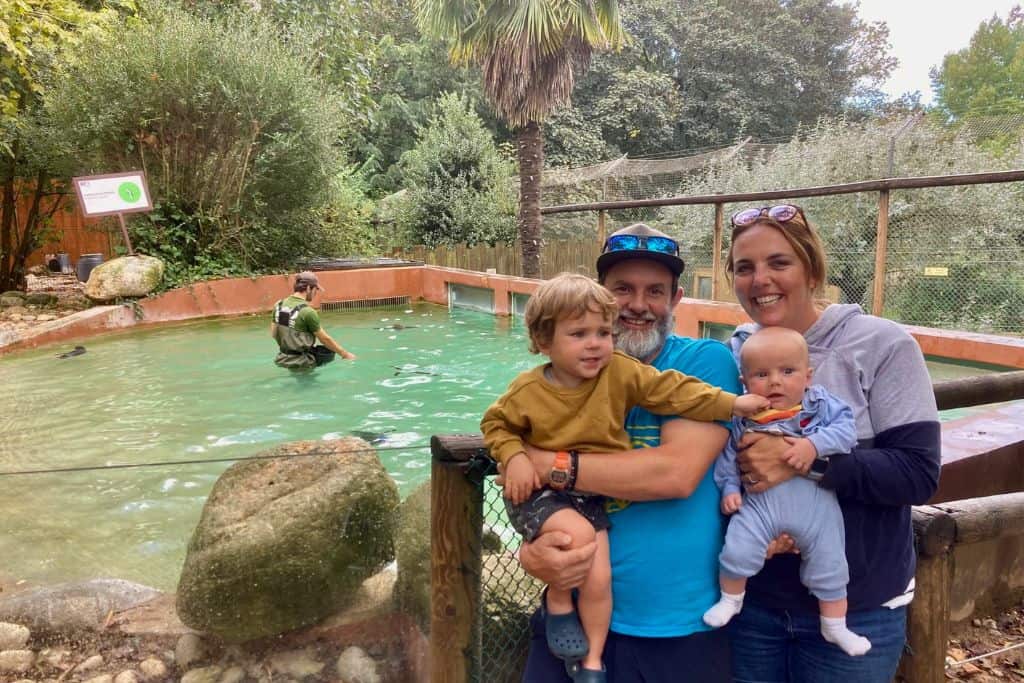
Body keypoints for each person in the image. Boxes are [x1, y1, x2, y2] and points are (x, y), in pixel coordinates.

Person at [482, 273, 768, 682]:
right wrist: (531, 549)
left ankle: (591, 657)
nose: (637, 304)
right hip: (573, 605)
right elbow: (499, 426)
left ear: (676, 298)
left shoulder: (697, 360)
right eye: (623, 289)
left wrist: (545, 463)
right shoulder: (534, 387)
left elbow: (675, 475)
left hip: (678, 629)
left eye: (655, 290)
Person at [724, 204, 941, 682]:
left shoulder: (881, 345)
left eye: (778, 262)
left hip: (858, 605)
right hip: (750, 603)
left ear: (812, 269)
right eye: (745, 267)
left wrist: (805, 463)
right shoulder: (732, 354)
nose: (760, 279)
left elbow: (917, 473)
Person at [702, 326, 871, 657]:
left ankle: (835, 626)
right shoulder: (744, 417)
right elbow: (727, 457)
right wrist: (730, 488)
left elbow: (846, 431)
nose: (775, 381)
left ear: (808, 377)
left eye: (787, 371)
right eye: (762, 374)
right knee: (737, 550)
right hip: (760, 506)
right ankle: (731, 599)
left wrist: (813, 444)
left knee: (831, 564)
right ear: (744, 382)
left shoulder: (820, 405)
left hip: (816, 509)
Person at [271, 271, 356, 369]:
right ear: (308, 288)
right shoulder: (308, 312)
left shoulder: (279, 305)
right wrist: (345, 354)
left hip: (282, 359)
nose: (316, 293)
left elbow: (274, 334)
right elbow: (324, 339)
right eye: (316, 289)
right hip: (302, 363)